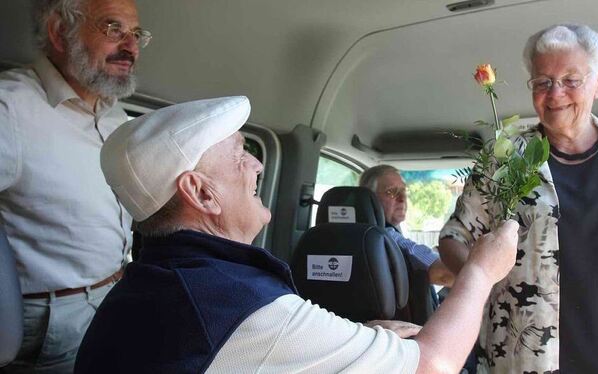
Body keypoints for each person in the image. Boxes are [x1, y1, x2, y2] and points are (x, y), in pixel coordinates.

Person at [74, 96, 519, 373]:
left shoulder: (142, 287)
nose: (257, 164)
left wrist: (357, 340)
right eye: (239, 153)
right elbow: (434, 366)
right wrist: (480, 270)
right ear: (200, 192)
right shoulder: (234, 302)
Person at [438, 23, 598, 373]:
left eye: (570, 80)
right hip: (530, 353)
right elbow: (454, 238)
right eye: (542, 82)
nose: (555, 92)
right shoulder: (506, 155)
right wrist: (481, 274)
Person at [0, 0, 150, 372]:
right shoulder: (10, 110)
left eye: (135, 34)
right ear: (59, 32)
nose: (130, 46)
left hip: (113, 296)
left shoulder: (113, 112)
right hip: (51, 322)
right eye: (113, 28)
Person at [360, 165, 454, 286]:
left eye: (403, 191)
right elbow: (445, 274)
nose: (402, 198)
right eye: (391, 192)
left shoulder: (352, 237)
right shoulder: (386, 238)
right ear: (369, 199)